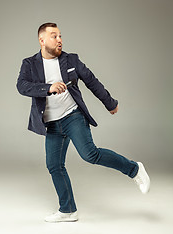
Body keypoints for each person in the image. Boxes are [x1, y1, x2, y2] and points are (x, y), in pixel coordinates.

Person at [16, 22, 150, 223]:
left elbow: (92, 81)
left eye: (60, 36)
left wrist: (109, 103)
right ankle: (68, 210)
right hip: (51, 123)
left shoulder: (71, 60)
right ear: (41, 40)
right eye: (54, 36)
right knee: (54, 165)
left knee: (90, 154)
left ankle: (134, 169)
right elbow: (22, 86)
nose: (59, 39)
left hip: (72, 116)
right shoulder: (30, 64)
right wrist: (48, 87)